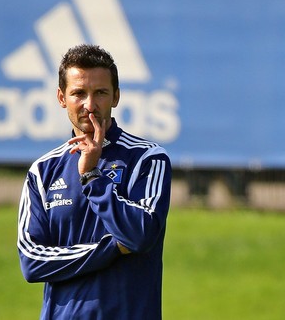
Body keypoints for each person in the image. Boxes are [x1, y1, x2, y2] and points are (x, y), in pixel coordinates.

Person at [17, 44, 171, 319]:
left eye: (100, 93)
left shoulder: (148, 159)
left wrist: (91, 177)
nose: (90, 105)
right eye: (79, 93)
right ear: (61, 97)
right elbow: (32, 262)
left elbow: (139, 235)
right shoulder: (42, 170)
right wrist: (111, 248)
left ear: (117, 96)